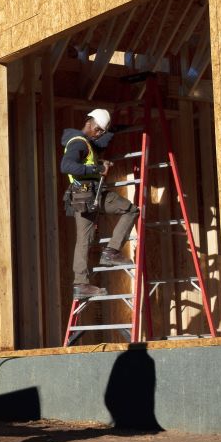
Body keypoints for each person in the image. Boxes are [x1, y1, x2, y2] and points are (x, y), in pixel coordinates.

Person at [62, 109, 139, 299]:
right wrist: (97, 168)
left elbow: (97, 148)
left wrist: (113, 132)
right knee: (130, 210)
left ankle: (81, 284)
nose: (98, 134)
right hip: (89, 195)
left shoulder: (85, 142)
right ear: (89, 124)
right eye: (98, 130)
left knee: (84, 240)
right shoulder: (79, 143)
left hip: (81, 197)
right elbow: (66, 166)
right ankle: (111, 252)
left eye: (101, 132)